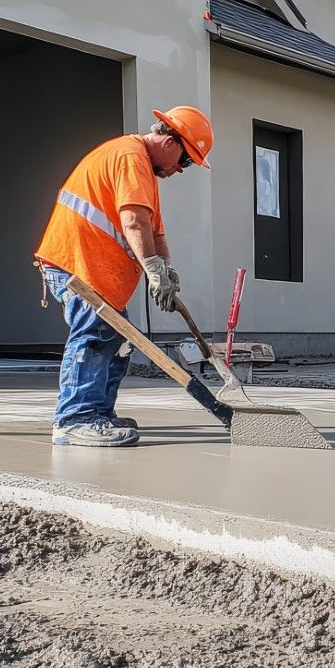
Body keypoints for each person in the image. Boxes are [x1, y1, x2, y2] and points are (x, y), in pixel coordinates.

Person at [33, 106, 213, 447]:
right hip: (77, 264)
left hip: (95, 270)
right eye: (186, 161)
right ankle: (75, 419)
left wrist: (167, 272)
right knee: (97, 334)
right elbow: (133, 221)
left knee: (119, 341)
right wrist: (154, 271)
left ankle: (97, 413)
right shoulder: (130, 156)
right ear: (172, 141)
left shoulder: (142, 167)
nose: (180, 170)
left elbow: (155, 233)